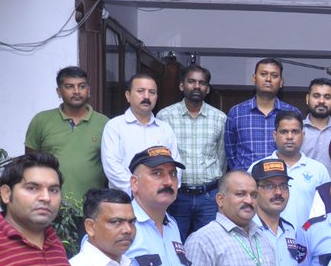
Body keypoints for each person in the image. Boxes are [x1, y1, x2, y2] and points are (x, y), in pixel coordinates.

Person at [157, 64, 225, 238]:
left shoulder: (220, 118)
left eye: (202, 83)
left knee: (211, 243)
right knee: (174, 243)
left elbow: (222, 157)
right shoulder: (165, 116)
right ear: (182, 85)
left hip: (209, 196)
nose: (196, 86)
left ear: (207, 89)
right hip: (177, 196)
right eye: (191, 81)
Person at [24, 65, 107, 203]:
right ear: (59, 91)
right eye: (70, 87)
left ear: (88, 90)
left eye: (81, 86)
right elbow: (30, 163)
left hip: (93, 206)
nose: (77, 91)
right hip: (49, 203)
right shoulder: (41, 120)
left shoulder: (105, 124)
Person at [252, 109, 331, 229]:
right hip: (267, 237)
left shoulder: (319, 170)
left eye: (295, 132)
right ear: (275, 135)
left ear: (303, 135)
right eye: (284, 132)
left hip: (308, 237)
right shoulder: (258, 168)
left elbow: (327, 209)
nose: (289, 137)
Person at [101, 73, 179, 193]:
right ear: (128, 96)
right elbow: (112, 166)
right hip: (125, 197)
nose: (146, 96)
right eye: (140, 91)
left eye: (152, 92)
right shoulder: (114, 126)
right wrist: (139, 191)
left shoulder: (165, 129)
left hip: (160, 197)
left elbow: (175, 165)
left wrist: (166, 190)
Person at [224, 58, 302, 171]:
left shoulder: (292, 112)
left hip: (280, 178)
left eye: (274, 75)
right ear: (254, 78)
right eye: (263, 74)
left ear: (281, 82)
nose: (268, 79)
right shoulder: (236, 113)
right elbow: (230, 153)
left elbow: (296, 148)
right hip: (246, 179)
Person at [300, 78, 331, 174]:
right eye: (316, 96)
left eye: (327, 97)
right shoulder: (296, 130)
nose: (321, 101)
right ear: (307, 99)